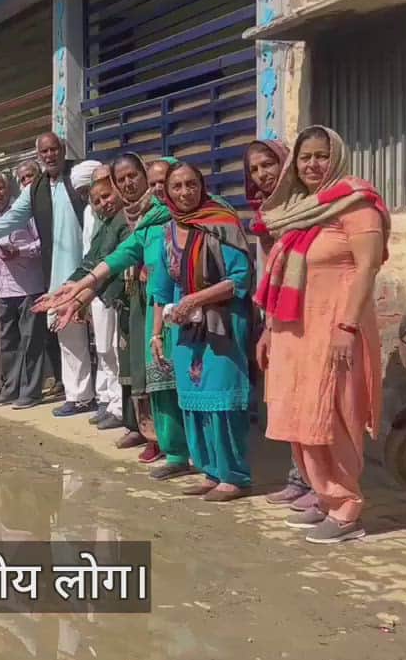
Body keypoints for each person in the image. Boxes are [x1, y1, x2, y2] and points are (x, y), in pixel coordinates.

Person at [256, 126, 389, 544]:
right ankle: (326, 497)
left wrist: (347, 326)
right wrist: (268, 332)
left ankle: (348, 510)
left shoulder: (357, 203)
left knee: (333, 416)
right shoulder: (300, 208)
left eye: (320, 156)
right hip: (293, 331)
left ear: (338, 157)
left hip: (335, 327)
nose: (312, 165)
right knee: (299, 417)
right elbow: (280, 278)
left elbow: (367, 268)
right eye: (304, 157)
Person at [37, 153, 190, 473]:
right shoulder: (139, 222)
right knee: (147, 373)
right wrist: (74, 293)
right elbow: (111, 259)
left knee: (167, 375)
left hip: (174, 305)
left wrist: (81, 293)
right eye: (121, 181)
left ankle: (182, 449)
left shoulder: (170, 217)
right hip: (140, 302)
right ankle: (163, 444)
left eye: (133, 176)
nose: (128, 184)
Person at [0, 133, 95, 416]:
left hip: (93, 266)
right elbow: (11, 220)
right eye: (45, 151)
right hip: (59, 271)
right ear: (39, 155)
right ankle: (80, 397)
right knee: (69, 336)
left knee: (105, 342)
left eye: (54, 149)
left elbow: (104, 177)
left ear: (63, 150)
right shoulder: (35, 189)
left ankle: (109, 402)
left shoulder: (77, 175)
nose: (50, 155)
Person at [148, 161, 255, 501]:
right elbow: (161, 290)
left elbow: (240, 278)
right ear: (167, 192)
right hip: (183, 329)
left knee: (222, 399)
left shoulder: (221, 224)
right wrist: (156, 334)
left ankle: (234, 476)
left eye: (191, 184)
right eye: (177, 186)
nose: (184, 192)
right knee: (194, 402)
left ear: (202, 186)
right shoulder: (168, 231)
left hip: (222, 324)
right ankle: (209, 471)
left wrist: (196, 298)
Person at [242, 140, 315, 509]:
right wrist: (269, 326)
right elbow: (271, 269)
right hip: (281, 314)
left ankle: (320, 483)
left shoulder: (311, 205)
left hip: (313, 311)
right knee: (287, 397)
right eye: (254, 170)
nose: (261, 175)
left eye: (268, 165)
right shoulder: (268, 215)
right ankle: (298, 477)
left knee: (313, 399)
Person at [0, 171, 46, 408]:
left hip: (29, 288)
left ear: (8, 189)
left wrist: (20, 252)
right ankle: (11, 389)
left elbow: (44, 242)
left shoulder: (24, 212)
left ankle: (31, 392)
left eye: (0, 188)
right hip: (3, 291)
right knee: (9, 344)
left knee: (31, 341)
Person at [75, 171, 128, 431]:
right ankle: (107, 401)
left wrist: (82, 290)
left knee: (114, 352)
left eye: (106, 196)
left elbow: (113, 264)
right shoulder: (104, 226)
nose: (103, 203)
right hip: (98, 294)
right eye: (96, 201)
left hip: (113, 295)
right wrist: (68, 288)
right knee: (104, 350)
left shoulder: (123, 222)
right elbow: (90, 261)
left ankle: (118, 408)